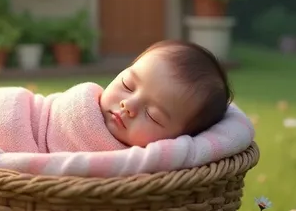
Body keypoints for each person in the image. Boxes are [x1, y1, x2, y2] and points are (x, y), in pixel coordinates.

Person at [100, 39, 233, 148]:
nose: (128, 105)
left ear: (178, 139)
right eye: (127, 85)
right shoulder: (85, 103)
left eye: (152, 116)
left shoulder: (152, 164)